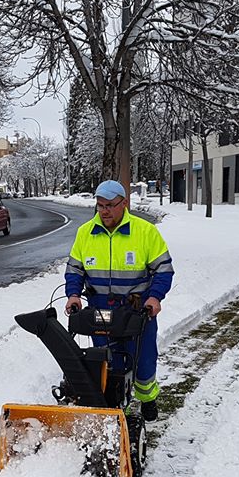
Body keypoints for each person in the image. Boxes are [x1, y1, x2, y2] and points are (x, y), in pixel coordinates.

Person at [64, 180, 174, 421]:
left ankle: (147, 399)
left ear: (124, 203)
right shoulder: (85, 233)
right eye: (100, 205)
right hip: (100, 312)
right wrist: (73, 294)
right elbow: (75, 270)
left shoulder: (144, 232)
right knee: (106, 361)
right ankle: (114, 408)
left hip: (137, 312)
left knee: (143, 361)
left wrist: (154, 298)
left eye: (110, 205)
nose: (104, 211)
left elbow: (164, 270)